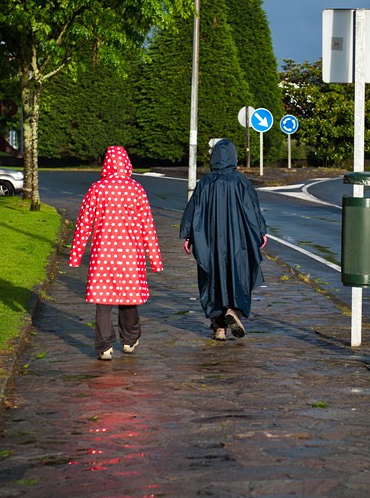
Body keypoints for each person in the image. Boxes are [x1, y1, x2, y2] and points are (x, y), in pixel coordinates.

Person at [68, 146, 163, 360]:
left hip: (103, 253)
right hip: (131, 254)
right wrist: (155, 261)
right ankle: (130, 339)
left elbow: (83, 224)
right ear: (127, 163)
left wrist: (75, 257)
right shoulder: (137, 189)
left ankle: (104, 346)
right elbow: (148, 227)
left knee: (103, 300)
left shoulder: (96, 189)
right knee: (129, 298)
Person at [179, 138, 268, 341]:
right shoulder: (242, 182)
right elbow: (252, 210)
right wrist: (261, 231)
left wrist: (187, 235)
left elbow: (194, 212)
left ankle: (219, 327)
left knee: (212, 280)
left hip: (210, 242)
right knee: (239, 276)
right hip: (239, 243)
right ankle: (233, 312)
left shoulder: (205, 184)